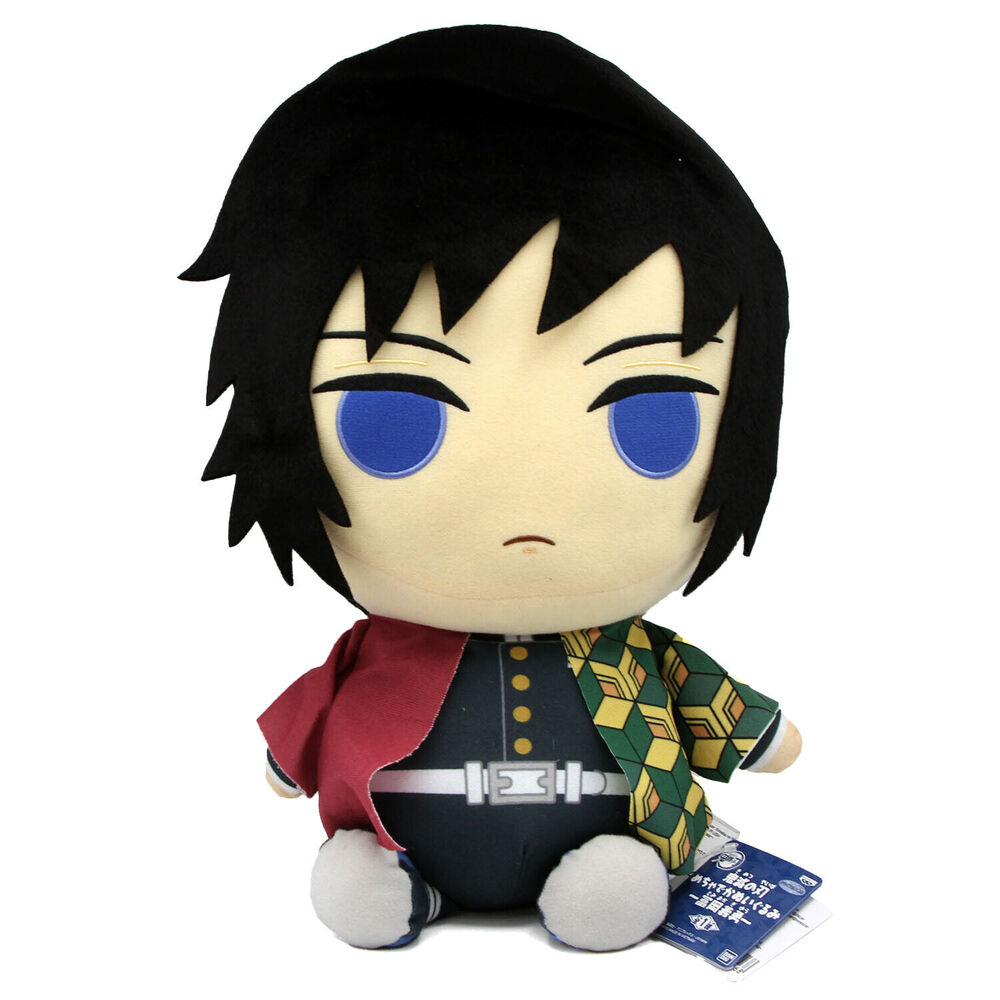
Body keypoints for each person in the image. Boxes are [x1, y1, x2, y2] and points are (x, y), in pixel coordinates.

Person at [183, 24, 801, 953]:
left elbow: (725, 711)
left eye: (651, 420)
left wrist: (761, 734)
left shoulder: (639, 660)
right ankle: (401, 888)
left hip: (611, 845)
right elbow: (297, 739)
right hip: (400, 842)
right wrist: (284, 759)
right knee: (364, 884)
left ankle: (606, 882)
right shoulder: (369, 655)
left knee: (612, 883)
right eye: (396, 421)